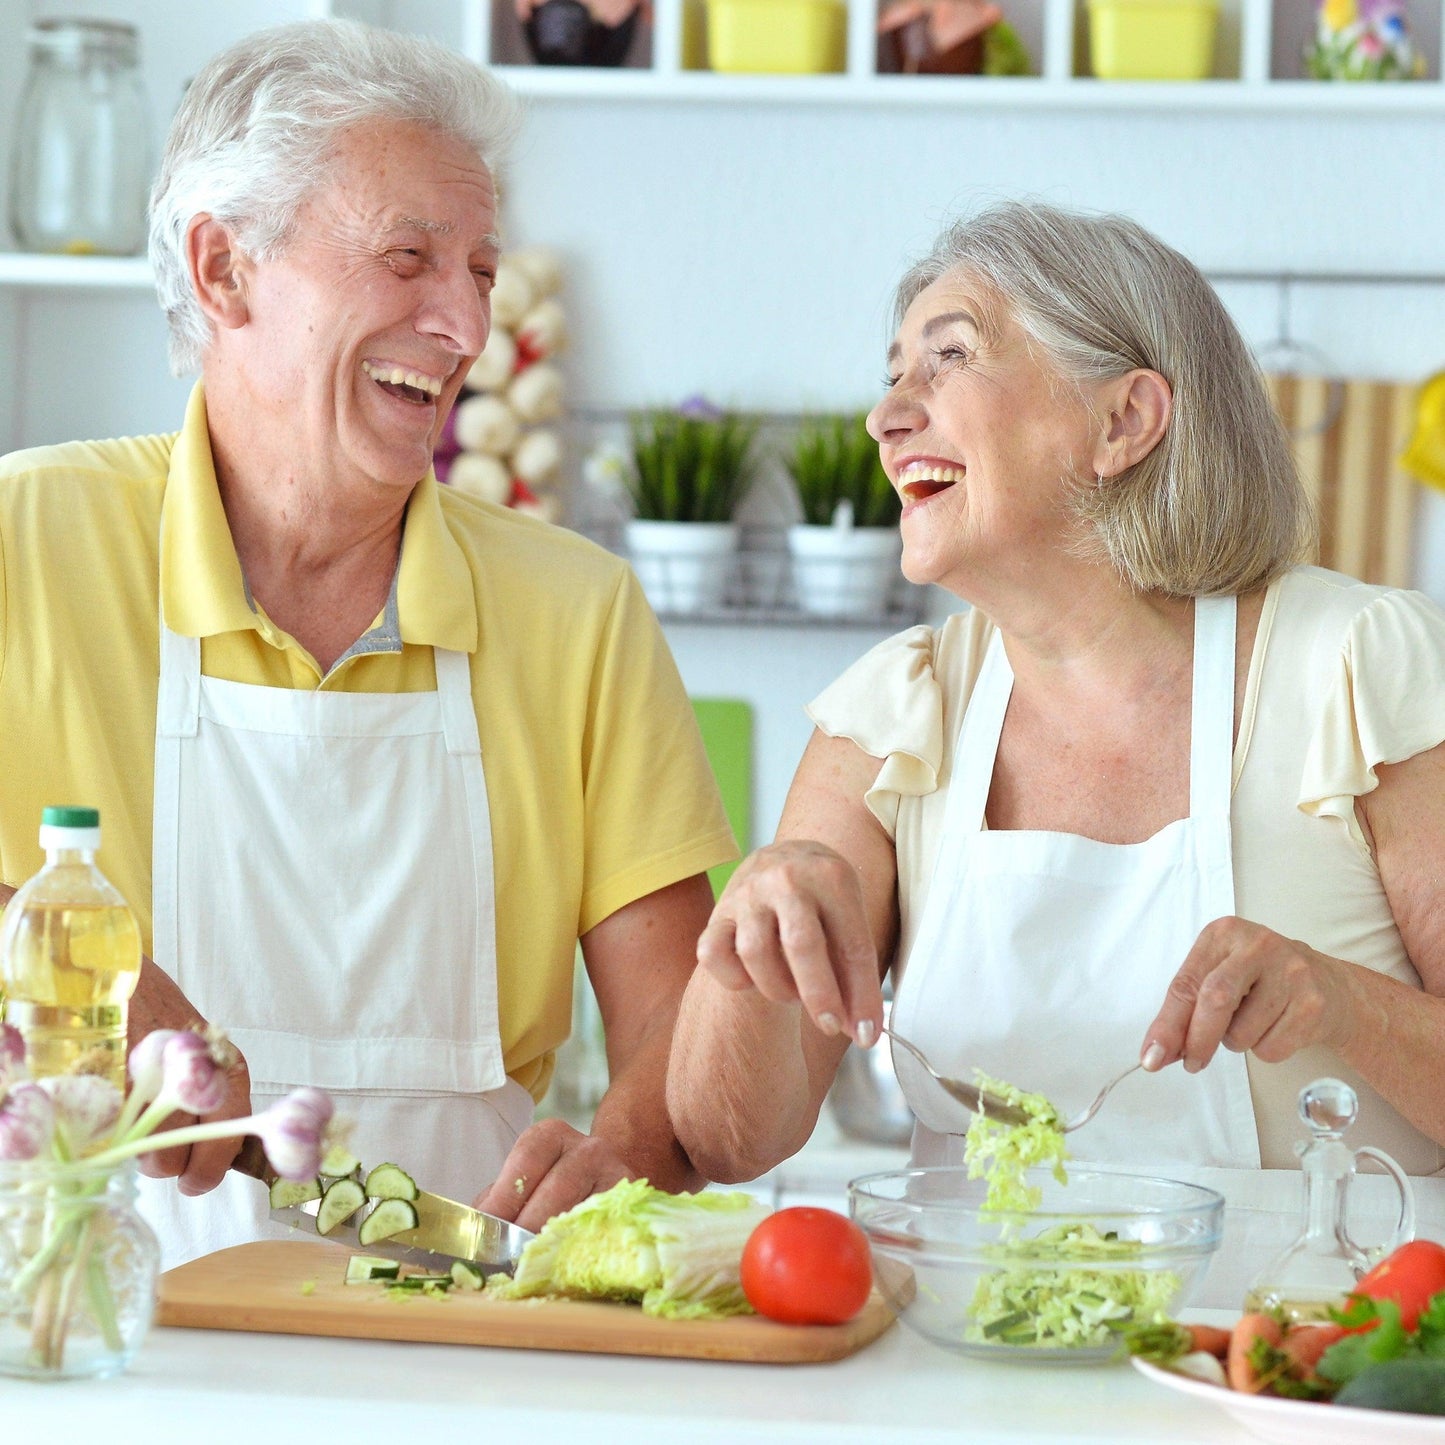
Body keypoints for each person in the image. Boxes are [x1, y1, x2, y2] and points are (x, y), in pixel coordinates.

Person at [0, 19, 736, 1267]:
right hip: (92, 1336)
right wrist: (66, 973)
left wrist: (630, 1141)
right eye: (408, 258)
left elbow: (682, 1038)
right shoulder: (25, 539)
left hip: (458, 1337)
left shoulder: (577, 613)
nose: (464, 324)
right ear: (225, 269)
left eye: (484, 272)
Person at [667, 200, 1445, 1305]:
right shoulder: (898, 709)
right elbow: (727, 1136)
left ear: (1123, 419)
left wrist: (1342, 1002)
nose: (888, 415)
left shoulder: (1358, 663)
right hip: (967, 1349)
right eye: (892, 375)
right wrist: (751, 925)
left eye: (948, 357)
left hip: (1306, 1367)